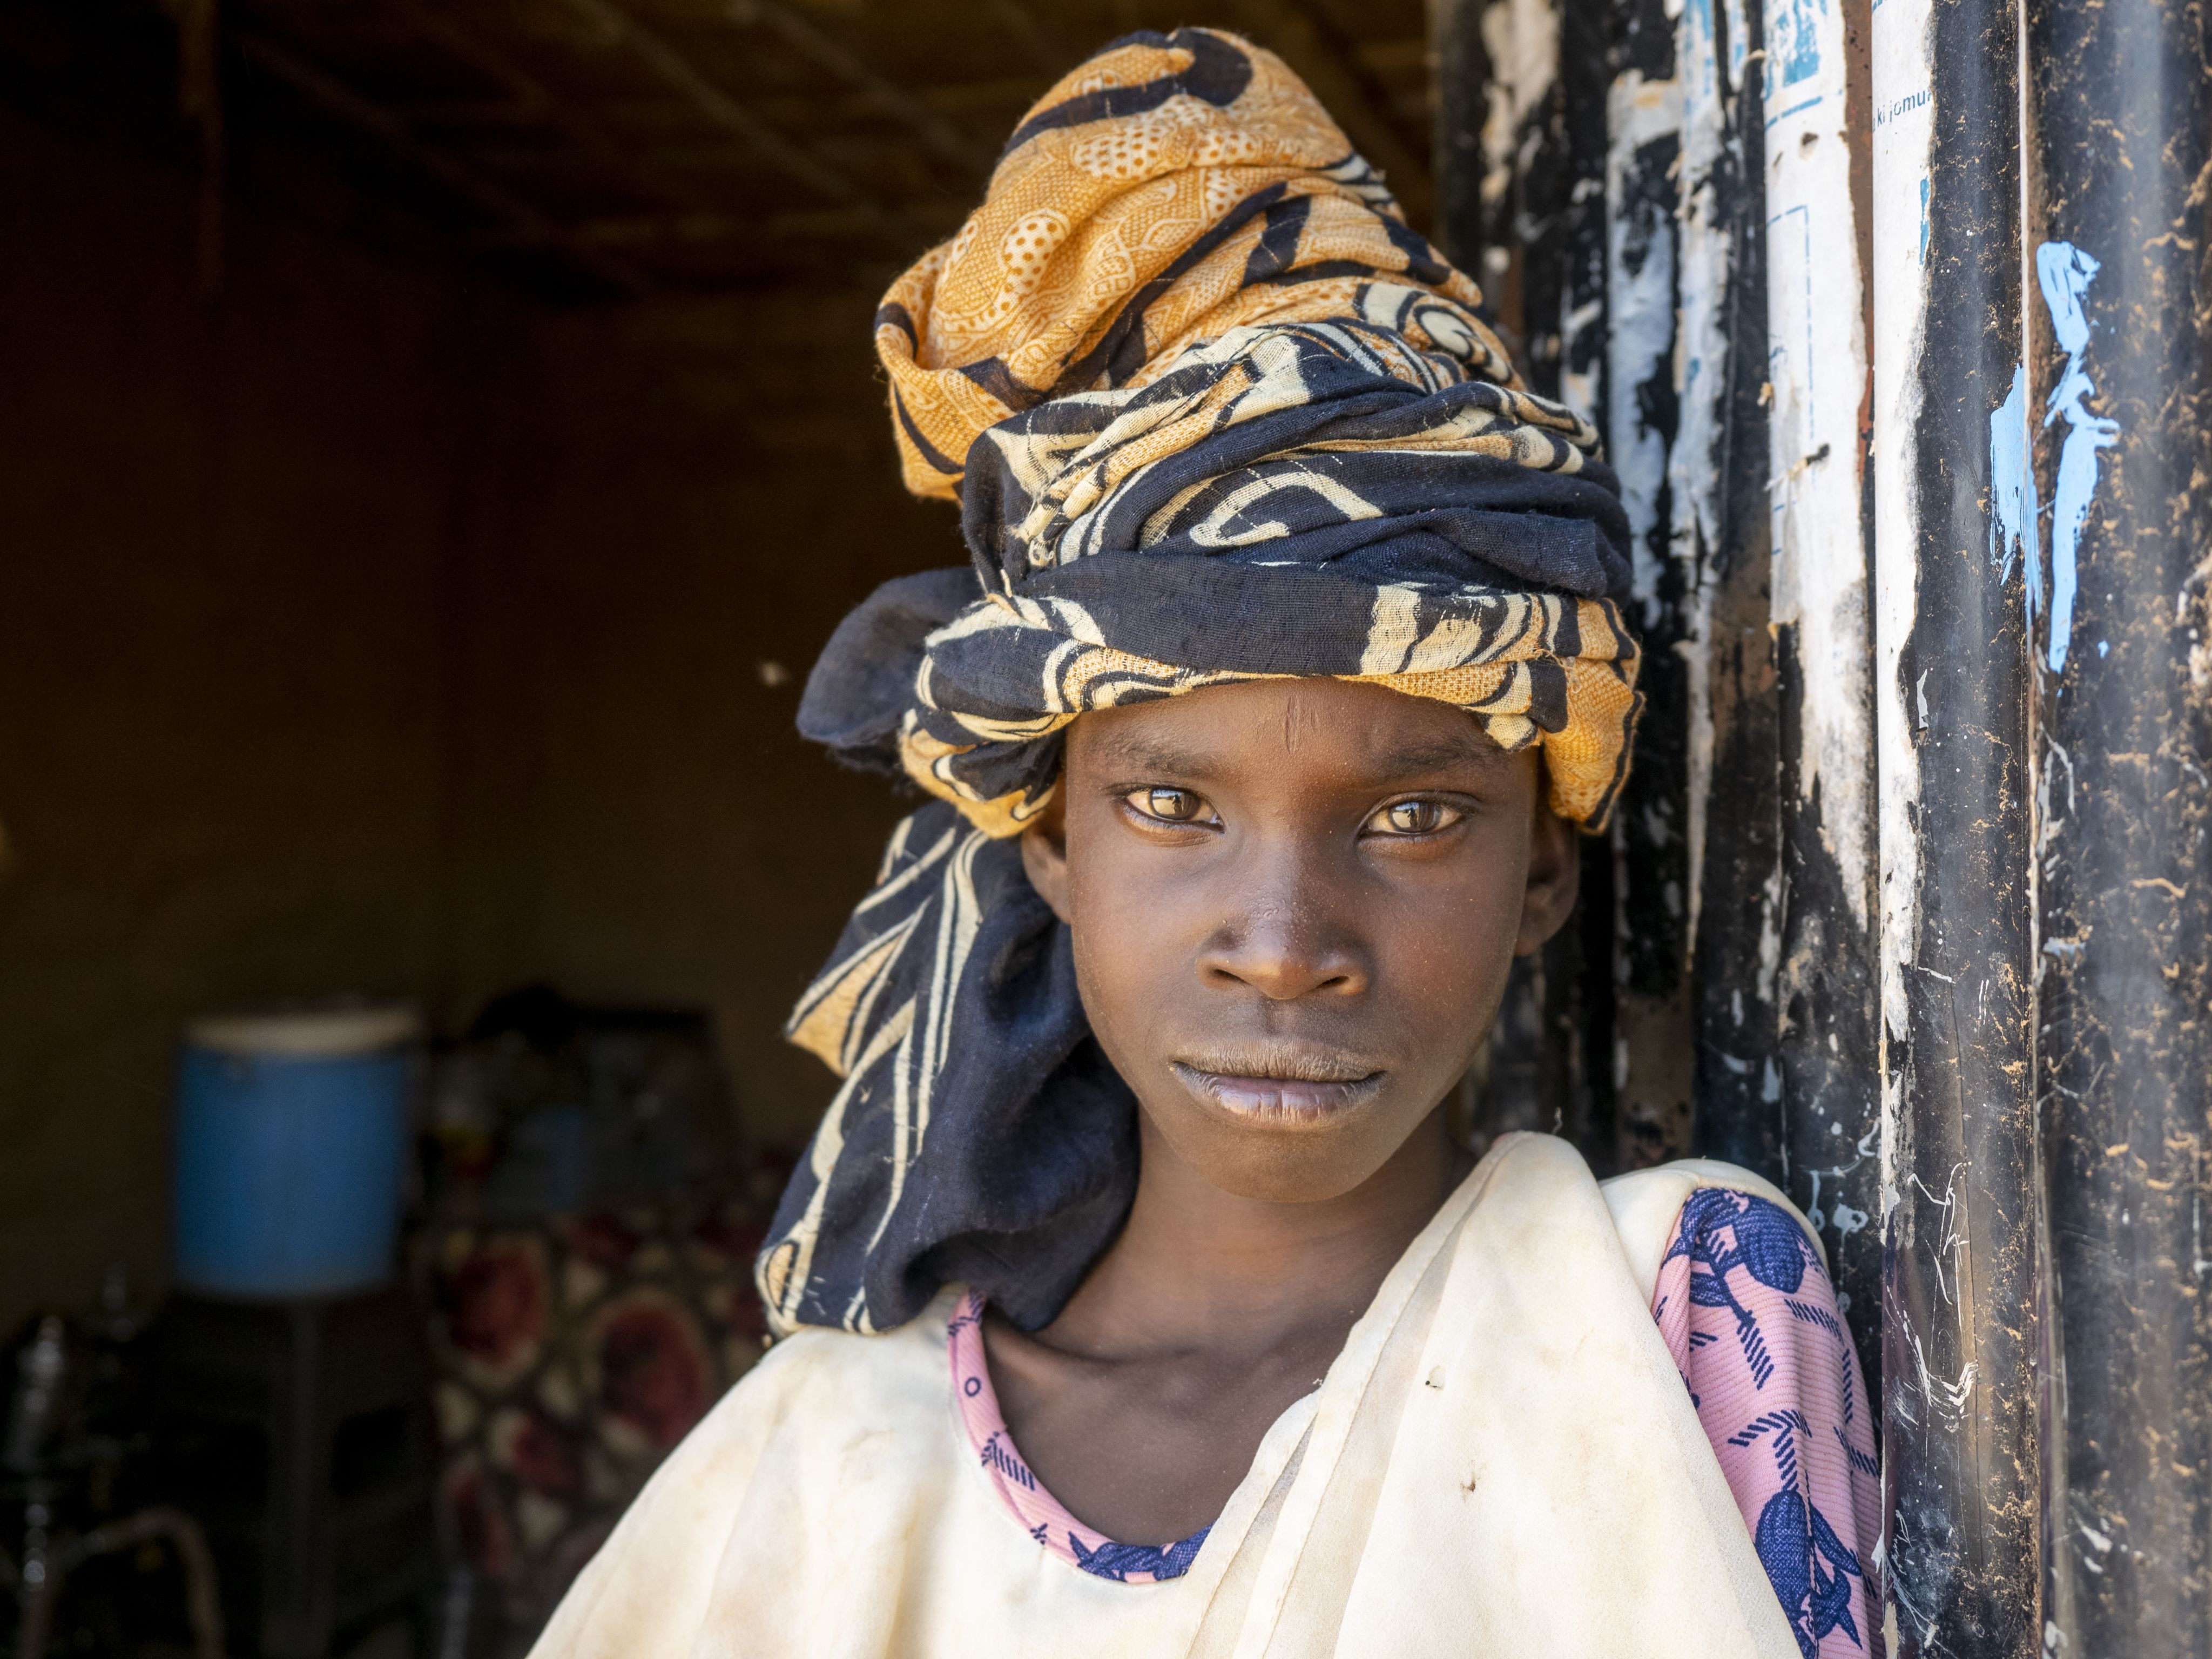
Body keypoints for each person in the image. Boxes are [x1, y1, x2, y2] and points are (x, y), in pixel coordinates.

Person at [529, 28, 1878, 1659]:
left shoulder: (1679, 1320)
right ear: (1050, 840)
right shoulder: (821, 1465)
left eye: (1413, 816)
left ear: (1541, 869)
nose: (1285, 945)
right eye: (1172, 807)